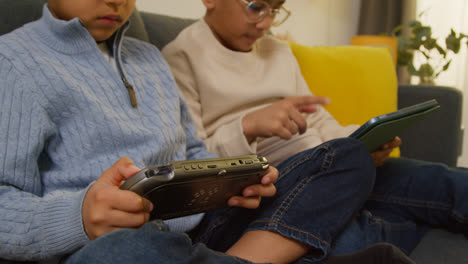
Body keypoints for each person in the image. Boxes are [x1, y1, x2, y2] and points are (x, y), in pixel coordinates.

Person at [0, 0, 417, 264]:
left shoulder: (148, 57)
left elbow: (195, 151)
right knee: (131, 249)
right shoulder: (14, 62)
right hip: (108, 245)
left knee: (346, 157)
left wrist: (228, 182)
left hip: (205, 224)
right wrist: (78, 218)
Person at [162, 0, 468, 260]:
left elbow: (318, 120)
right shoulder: (180, 57)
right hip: (272, 183)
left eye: (276, 9)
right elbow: (192, 159)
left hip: (333, 167)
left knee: (442, 180)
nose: (265, 22)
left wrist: (362, 139)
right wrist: (248, 126)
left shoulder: (278, 52)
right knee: (354, 224)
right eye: (256, 6)